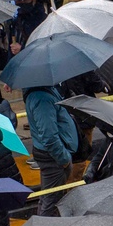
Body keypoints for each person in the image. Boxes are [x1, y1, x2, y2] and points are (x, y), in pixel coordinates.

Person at [23, 85, 78, 217]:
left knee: (48, 198)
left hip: (51, 155)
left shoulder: (42, 92)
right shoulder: (42, 99)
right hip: (54, 157)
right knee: (51, 202)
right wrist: (63, 159)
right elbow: (49, 136)